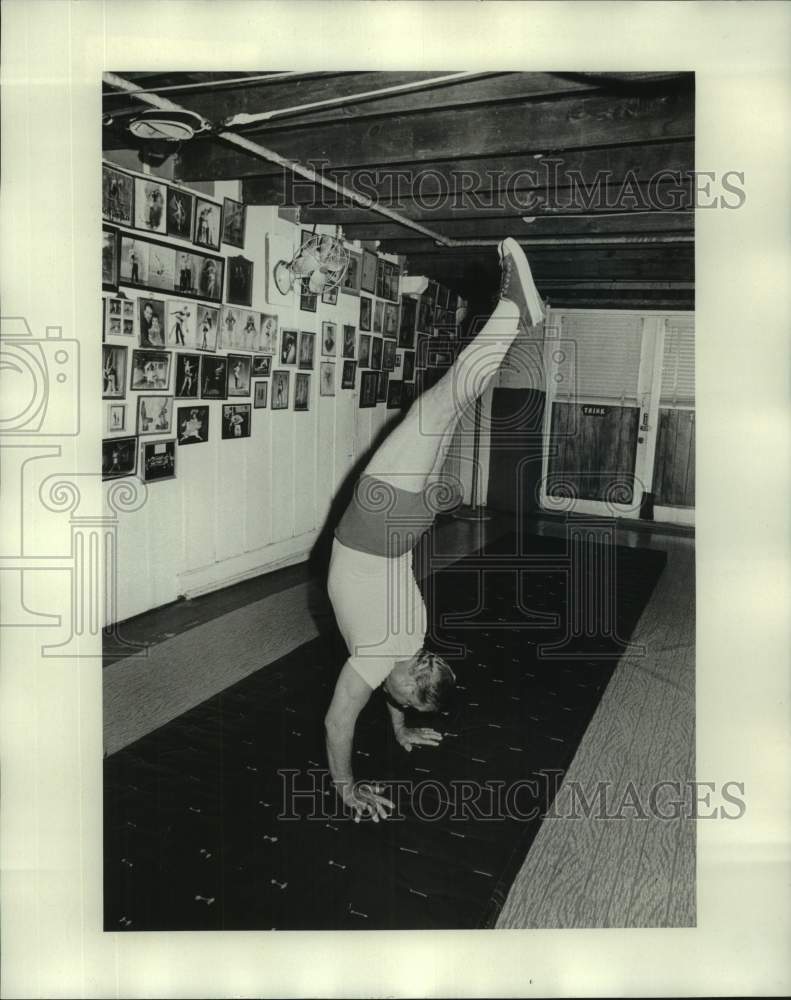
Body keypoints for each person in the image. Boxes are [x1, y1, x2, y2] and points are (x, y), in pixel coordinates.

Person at [324, 238, 545, 822]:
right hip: (379, 522)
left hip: (407, 522)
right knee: (448, 396)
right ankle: (513, 312)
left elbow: (385, 687)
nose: (391, 695)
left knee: (451, 399)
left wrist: (401, 729)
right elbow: (339, 718)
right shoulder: (379, 661)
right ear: (408, 684)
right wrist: (347, 786)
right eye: (405, 693)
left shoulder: (410, 640)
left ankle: (512, 315)